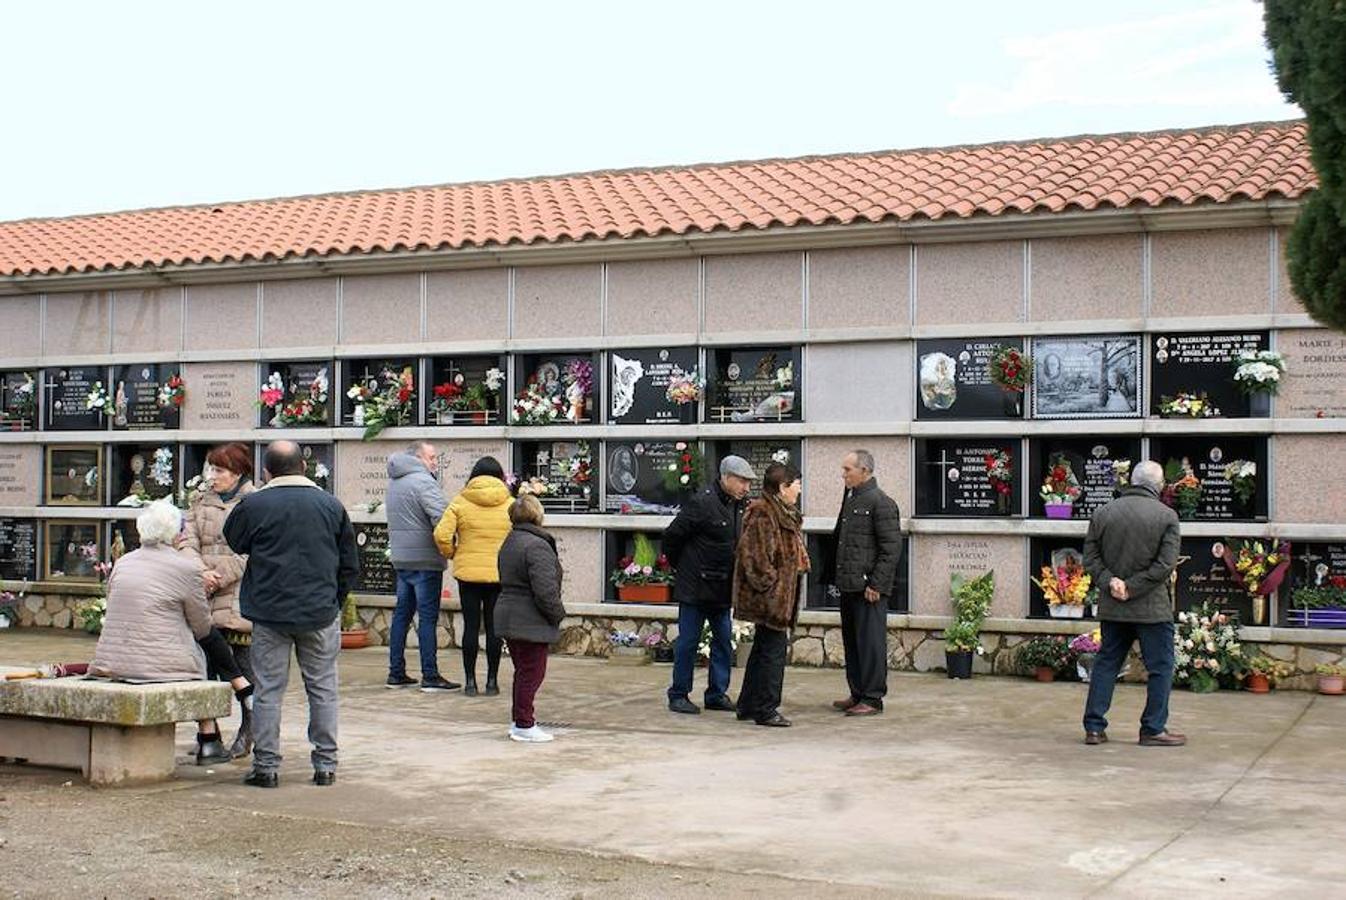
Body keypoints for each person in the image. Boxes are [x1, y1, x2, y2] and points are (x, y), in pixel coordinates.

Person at [224, 441, 359, 788]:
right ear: (304, 466)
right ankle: (326, 765)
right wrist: (333, 602)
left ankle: (266, 767)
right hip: (319, 611)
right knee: (323, 688)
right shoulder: (331, 506)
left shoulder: (254, 505)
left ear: (267, 471)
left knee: (269, 689)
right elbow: (349, 564)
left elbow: (235, 541)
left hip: (270, 613)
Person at [90, 500, 245, 765]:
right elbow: (201, 625)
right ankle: (209, 740)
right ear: (176, 533)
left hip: (112, 662)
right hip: (159, 667)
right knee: (199, 657)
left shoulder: (123, 563)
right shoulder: (186, 568)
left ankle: (237, 692)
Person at [1081, 460, 1185, 747]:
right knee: (1160, 667)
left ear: (1132, 481)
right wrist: (1132, 587)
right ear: (1158, 485)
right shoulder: (1166, 517)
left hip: (1114, 605)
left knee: (1106, 664)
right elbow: (1165, 565)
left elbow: (1090, 558)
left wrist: (1112, 582)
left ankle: (1094, 727)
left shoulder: (1103, 513)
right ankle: (1152, 728)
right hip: (1151, 608)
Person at [180, 441, 258, 758]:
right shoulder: (200, 500)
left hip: (238, 596)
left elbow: (250, 551)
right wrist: (200, 573)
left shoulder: (254, 502)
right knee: (204, 668)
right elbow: (186, 539)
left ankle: (249, 732)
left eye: (220, 470)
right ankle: (209, 736)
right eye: (211, 468)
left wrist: (218, 576)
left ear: (237, 472)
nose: (213, 475)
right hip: (202, 594)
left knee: (242, 669)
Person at [662, 455, 754, 715]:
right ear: (725, 478)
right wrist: (684, 567)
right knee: (688, 642)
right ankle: (678, 694)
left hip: (722, 587)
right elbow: (672, 537)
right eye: (741, 481)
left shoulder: (741, 505)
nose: (746, 487)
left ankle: (716, 693)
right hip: (695, 587)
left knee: (724, 641)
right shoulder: (702, 502)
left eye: (748, 482)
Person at [825, 450, 902, 717]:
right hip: (849, 584)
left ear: (865, 471)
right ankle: (857, 692)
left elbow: (891, 549)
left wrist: (877, 585)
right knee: (853, 642)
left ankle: (872, 697)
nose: (843, 474)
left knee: (870, 643)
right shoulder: (852, 498)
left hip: (869, 588)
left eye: (848, 469)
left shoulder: (881, 502)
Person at [732, 463, 808, 727]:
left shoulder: (781, 512)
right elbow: (754, 557)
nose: (799, 490)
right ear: (782, 487)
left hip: (779, 596)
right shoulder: (764, 513)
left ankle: (749, 705)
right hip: (771, 598)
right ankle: (766, 708)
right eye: (796, 484)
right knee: (773, 653)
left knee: (764, 650)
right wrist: (773, 586)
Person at [434, 456, 512, 696]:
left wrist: (454, 553)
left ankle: (469, 682)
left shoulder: (460, 501)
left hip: (468, 575)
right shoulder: (510, 503)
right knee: (493, 628)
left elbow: (441, 535)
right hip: (498, 575)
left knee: (470, 626)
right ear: (500, 476)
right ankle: (492, 682)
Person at [494, 493, 566, 743]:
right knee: (532, 672)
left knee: (523, 671)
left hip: (510, 614)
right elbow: (545, 589)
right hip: (529, 618)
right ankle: (524, 723)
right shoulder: (537, 545)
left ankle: (520, 721)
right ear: (538, 515)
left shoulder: (511, 541)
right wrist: (557, 614)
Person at [385, 441, 456, 692]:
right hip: (426, 559)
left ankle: (396, 672)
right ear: (418, 457)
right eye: (432, 457)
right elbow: (441, 517)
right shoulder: (424, 481)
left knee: (401, 616)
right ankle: (430, 675)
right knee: (427, 618)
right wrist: (452, 544)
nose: (435, 462)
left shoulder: (395, 481)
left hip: (402, 558)